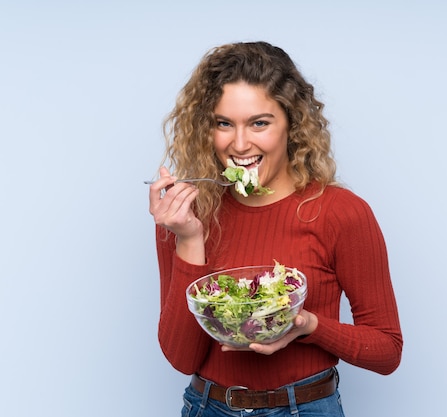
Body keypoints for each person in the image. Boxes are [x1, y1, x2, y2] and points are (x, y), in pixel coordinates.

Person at [148, 41, 403, 416]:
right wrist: (188, 238)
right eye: (223, 123)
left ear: (292, 124)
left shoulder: (340, 213)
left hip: (306, 407)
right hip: (208, 407)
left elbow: (387, 351)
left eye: (259, 123)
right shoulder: (186, 215)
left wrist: (310, 326)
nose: (239, 144)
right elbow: (182, 358)